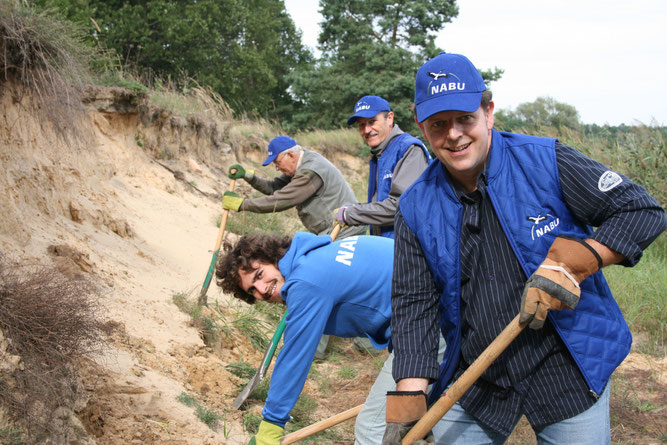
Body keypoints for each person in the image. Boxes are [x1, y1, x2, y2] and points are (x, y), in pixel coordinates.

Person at [385, 52, 667, 444]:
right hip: (478, 374)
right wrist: (409, 399)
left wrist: (576, 263)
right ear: (422, 126)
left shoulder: (545, 161)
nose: (454, 134)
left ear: (489, 112)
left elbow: (641, 210)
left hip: (566, 363)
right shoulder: (416, 206)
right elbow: (413, 306)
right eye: (439, 124)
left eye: (465, 118)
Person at [215, 231, 399, 445]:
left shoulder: (307, 281)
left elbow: (295, 357)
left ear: (271, 257)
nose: (262, 289)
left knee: (370, 429)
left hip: (428, 324)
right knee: (442, 422)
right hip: (427, 311)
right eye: (252, 290)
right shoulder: (312, 256)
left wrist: (271, 425)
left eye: (259, 275)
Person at [223, 135, 366, 240]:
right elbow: (274, 188)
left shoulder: (310, 170)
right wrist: (249, 177)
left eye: (277, 163)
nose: (277, 168)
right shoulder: (301, 164)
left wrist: (242, 204)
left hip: (345, 231)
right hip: (333, 230)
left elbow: (281, 200)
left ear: (290, 155)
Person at [333, 95, 432, 238]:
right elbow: (381, 203)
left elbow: (401, 207)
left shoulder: (409, 149)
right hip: (389, 245)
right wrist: (357, 208)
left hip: (411, 248)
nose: (367, 130)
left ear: (390, 118)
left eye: (372, 122)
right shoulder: (380, 154)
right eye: (361, 125)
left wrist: (352, 214)